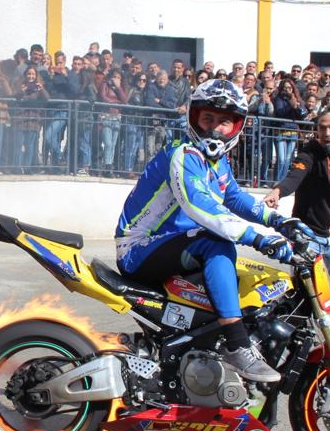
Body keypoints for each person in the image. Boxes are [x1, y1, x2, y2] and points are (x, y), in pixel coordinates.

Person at [115, 79, 311, 383]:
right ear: (194, 117)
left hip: (174, 247)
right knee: (217, 244)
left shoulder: (217, 162)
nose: (214, 128)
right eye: (208, 119)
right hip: (139, 249)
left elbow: (233, 198)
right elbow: (202, 207)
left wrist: (278, 221)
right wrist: (260, 239)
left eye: (224, 122)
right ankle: (236, 344)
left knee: (237, 269)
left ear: (236, 126)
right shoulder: (184, 155)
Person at [263, 107, 330, 332]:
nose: (327, 133)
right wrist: (278, 192)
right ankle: (300, 338)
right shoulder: (309, 152)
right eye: (322, 128)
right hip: (309, 237)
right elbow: (294, 176)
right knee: (306, 295)